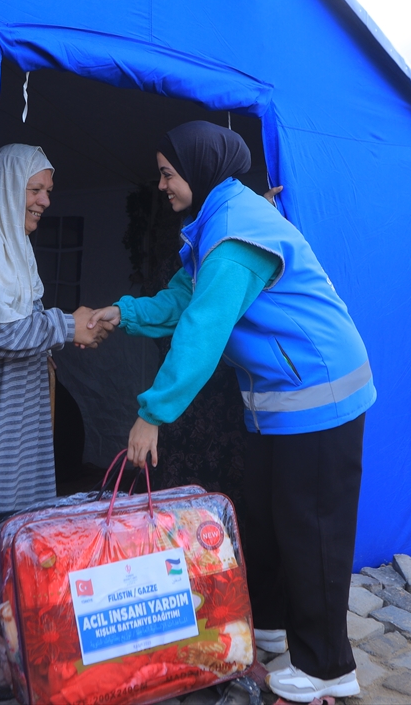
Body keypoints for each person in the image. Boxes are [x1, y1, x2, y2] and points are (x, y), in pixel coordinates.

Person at [87, 121, 375, 702]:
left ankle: (328, 666)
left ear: (198, 166)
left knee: (313, 530)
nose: (162, 184)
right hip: (277, 401)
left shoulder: (236, 233)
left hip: (320, 394)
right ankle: (269, 624)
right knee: (267, 519)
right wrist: (122, 313)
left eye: (168, 173)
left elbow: (202, 330)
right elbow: (181, 299)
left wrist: (153, 414)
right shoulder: (217, 219)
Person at [0, 143, 111, 677]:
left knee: (26, 534)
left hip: (25, 424)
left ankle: (22, 662)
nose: (46, 200)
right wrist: (68, 326)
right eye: (36, 188)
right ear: (5, 187)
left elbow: (28, 324)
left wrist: (66, 329)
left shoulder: (15, 250)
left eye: (49, 190)